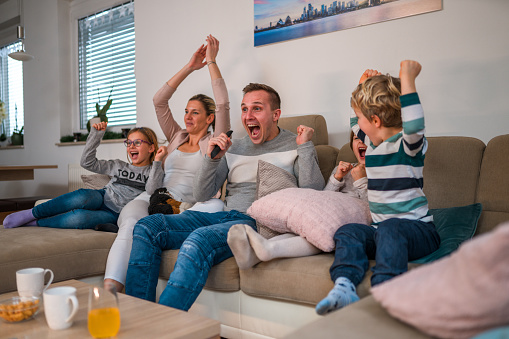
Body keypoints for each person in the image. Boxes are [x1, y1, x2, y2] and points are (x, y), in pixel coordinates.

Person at [125, 82, 325, 311]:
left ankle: (163, 329)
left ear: (276, 114)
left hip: (254, 222)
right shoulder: (234, 146)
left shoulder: (295, 144)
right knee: (147, 226)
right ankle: (138, 318)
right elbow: (202, 194)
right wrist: (213, 158)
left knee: (199, 239)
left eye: (257, 109)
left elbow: (313, 194)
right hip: (223, 215)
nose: (248, 116)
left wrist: (306, 147)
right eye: (244, 109)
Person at [102, 35, 230, 293]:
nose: (188, 116)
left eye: (195, 112)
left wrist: (211, 62)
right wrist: (190, 67)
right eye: (186, 111)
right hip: (152, 198)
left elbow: (223, 103)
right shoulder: (176, 136)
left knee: (216, 207)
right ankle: (109, 291)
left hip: (189, 206)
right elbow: (159, 101)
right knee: (129, 224)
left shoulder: (216, 141)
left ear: (210, 118)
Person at [315, 60, 441, 315]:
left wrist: (407, 79)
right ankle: (345, 285)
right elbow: (355, 122)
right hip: (382, 232)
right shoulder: (372, 147)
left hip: (419, 232)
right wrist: (361, 87)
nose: (356, 124)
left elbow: (415, 123)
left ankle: (385, 291)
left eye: (362, 118)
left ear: (374, 120)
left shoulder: (408, 146)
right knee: (349, 231)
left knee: (391, 229)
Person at [227, 131, 368, 269]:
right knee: (299, 230)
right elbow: (324, 198)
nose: (360, 141)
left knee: (317, 234)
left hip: (349, 220)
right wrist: (337, 178)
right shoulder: (344, 167)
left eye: (365, 137)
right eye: (356, 138)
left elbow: (376, 208)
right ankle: (258, 251)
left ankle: (269, 249)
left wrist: (361, 180)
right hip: (330, 214)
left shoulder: (382, 171)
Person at [3, 122, 164, 229]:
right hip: (102, 196)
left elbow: (152, 190)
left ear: (151, 148)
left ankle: (36, 223)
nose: (131, 146)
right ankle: (30, 213)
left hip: (115, 213)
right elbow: (87, 163)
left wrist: (157, 161)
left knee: (80, 218)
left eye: (137, 143)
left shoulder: (154, 172)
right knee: (84, 197)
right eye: (128, 142)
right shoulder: (118, 165)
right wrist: (95, 136)